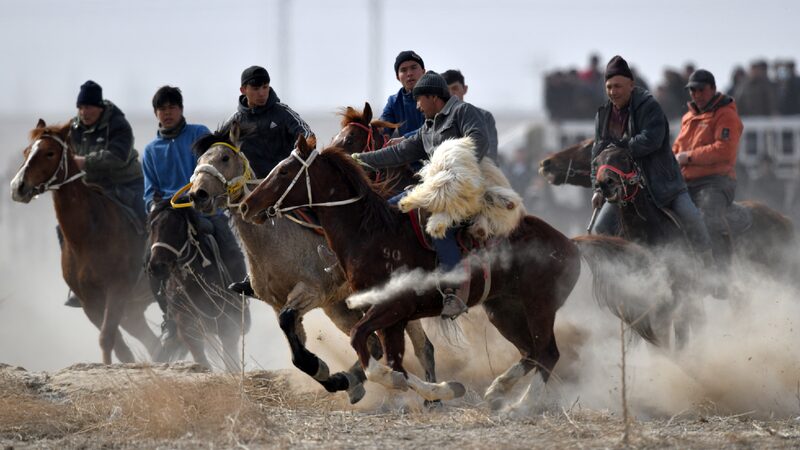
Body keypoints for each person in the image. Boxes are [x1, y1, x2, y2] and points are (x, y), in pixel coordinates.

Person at [353, 71, 490, 319]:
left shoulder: (463, 112)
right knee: (388, 210)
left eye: (419, 100)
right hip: (433, 189)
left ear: (432, 97)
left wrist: (454, 172)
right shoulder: (428, 126)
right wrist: (358, 161)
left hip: (463, 190)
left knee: (437, 224)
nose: (417, 106)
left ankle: (454, 290)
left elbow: (479, 141)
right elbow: (399, 153)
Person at [142, 85, 248, 339]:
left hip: (202, 208)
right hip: (169, 213)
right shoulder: (150, 151)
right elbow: (149, 193)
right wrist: (156, 208)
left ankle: (239, 302)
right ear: (156, 113)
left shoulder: (198, 134)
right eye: (162, 109)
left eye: (172, 107)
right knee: (150, 261)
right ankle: (169, 316)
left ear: (180, 109)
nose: (167, 113)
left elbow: (215, 165)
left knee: (228, 245)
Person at [589, 56, 715, 266]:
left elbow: (651, 140)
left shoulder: (649, 107)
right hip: (624, 188)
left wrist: (621, 148)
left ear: (631, 85)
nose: (613, 91)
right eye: (609, 87)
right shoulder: (602, 116)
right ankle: (614, 277)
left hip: (662, 184)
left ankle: (709, 266)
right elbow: (598, 155)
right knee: (599, 230)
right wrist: (598, 188)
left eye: (618, 86)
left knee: (690, 215)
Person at [223, 65, 315, 295]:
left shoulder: (283, 113)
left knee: (313, 209)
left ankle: (328, 255)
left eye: (265, 87)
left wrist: (303, 147)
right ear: (243, 89)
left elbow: (308, 134)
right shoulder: (235, 122)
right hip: (254, 189)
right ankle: (253, 276)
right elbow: (220, 152)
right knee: (239, 219)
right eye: (256, 88)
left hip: (286, 184)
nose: (262, 92)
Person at [63, 80, 145, 307]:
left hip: (127, 183)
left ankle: (148, 271)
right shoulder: (74, 129)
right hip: (94, 189)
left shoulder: (118, 124)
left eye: (88, 107)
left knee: (145, 217)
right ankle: (76, 283)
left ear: (99, 107)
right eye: (80, 107)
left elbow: (118, 156)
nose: (84, 112)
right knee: (65, 227)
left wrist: (84, 162)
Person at [673, 70, 743, 274]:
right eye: (692, 90)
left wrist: (689, 157)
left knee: (708, 216)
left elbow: (725, 149)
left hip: (717, 182)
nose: (696, 94)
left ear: (712, 89)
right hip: (686, 182)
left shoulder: (726, 115)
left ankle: (721, 273)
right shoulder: (688, 117)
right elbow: (677, 148)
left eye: (700, 89)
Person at [441, 69, 499, 163]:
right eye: (447, 90)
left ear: (465, 89)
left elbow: (490, 155)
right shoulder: (438, 119)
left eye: (455, 88)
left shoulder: (484, 116)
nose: (451, 94)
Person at [380, 51, 426, 144]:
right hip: (408, 156)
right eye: (403, 70)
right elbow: (382, 129)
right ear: (397, 77)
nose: (409, 73)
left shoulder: (434, 95)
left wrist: (405, 139)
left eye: (414, 68)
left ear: (423, 71)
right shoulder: (393, 101)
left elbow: (434, 128)